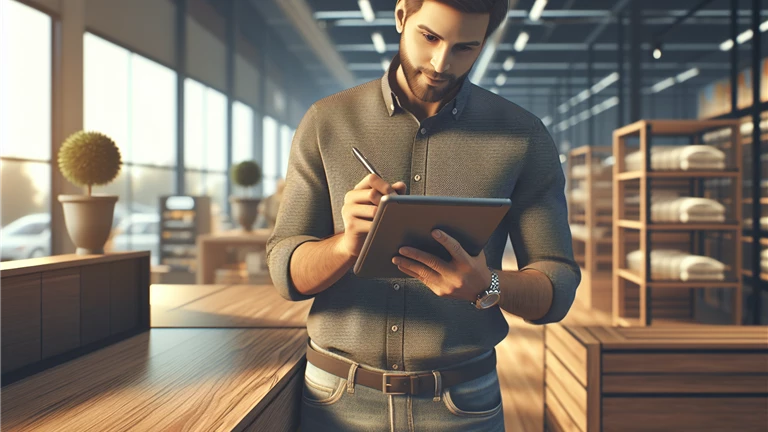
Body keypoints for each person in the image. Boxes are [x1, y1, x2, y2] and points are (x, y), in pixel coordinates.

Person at [266, 0, 580, 430]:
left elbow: (558, 286)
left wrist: (484, 283)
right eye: (429, 37)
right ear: (401, 16)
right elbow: (286, 273)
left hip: (462, 405)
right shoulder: (326, 122)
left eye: (466, 47)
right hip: (335, 402)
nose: (440, 63)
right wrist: (346, 244)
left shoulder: (523, 136)